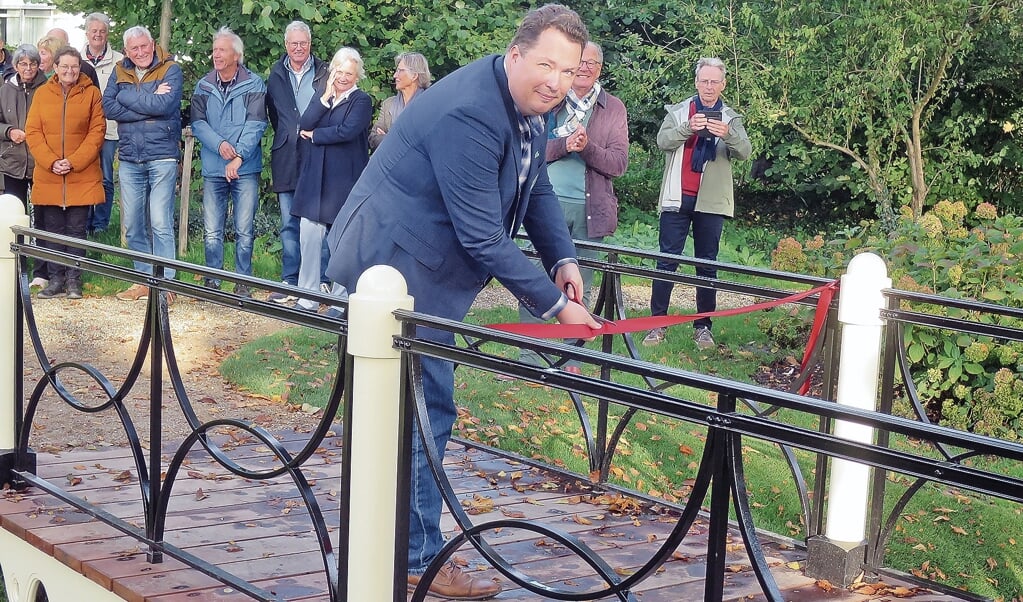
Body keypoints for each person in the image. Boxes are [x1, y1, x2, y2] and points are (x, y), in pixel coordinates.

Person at [325, 5, 599, 599]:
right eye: (546, 63)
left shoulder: (524, 103)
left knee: (405, 416)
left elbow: (535, 184)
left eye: (568, 69)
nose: (556, 79)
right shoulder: (473, 112)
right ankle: (416, 560)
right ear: (517, 53)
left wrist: (563, 260)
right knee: (425, 412)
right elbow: (481, 234)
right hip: (391, 265)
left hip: (418, 269)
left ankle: (384, 537)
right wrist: (555, 307)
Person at [516, 41, 629, 365]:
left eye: (593, 63)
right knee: (535, 278)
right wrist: (566, 144)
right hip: (542, 205)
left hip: (590, 210)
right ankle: (529, 356)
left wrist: (588, 147)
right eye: (581, 62)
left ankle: (572, 360)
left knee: (582, 283)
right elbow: (529, 147)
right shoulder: (551, 98)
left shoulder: (613, 108)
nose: (586, 68)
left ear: (600, 69)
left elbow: (618, 164)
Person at [642, 56, 752, 349]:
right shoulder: (679, 112)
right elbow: (662, 142)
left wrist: (727, 135)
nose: (709, 86)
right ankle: (657, 325)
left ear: (723, 84)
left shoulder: (730, 118)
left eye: (715, 81)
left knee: (706, 266)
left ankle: (703, 327)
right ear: (696, 82)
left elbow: (744, 152)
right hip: (677, 198)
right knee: (666, 261)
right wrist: (687, 128)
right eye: (704, 81)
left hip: (711, 202)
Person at [103, 25, 183, 302]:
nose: (140, 52)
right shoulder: (119, 70)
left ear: (152, 44)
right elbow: (108, 107)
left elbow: (164, 107)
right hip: (129, 157)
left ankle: (167, 284)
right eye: (134, 49)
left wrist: (127, 97)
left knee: (160, 222)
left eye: (144, 46)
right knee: (134, 225)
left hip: (162, 155)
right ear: (126, 51)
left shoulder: (170, 68)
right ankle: (144, 280)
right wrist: (147, 100)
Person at [292, 47, 371, 314]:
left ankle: (340, 300)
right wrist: (325, 96)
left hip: (344, 179)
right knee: (309, 236)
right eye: (340, 72)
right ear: (332, 71)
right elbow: (304, 122)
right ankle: (307, 296)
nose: (344, 78)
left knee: (340, 240)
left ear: (357, 75)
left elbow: (347, 131)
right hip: (315, 178)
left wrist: (315, 136)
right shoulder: (322, 96)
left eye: (350, 73)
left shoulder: (361, 101)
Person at [191, 26, 268, 296]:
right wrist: (220, 145)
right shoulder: (203, 85)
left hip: (245, 167)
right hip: (213, 167)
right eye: (214, 50)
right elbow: (198, 123)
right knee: (212, 230)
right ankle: (212, 280)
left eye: (222, 50)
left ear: (237, 55)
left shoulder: (254, 83)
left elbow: (257, 123)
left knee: (244, 229)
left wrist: (238, 156)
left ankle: (243, 282)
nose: (216, 55)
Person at [24, 47, 105, 299]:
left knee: (76, 230)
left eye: (74, 66)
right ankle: (56, 279)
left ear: (79, 67)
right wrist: (52, 161)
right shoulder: (41, 94)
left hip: (81, 173)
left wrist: (73, 161)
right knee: (52, 230)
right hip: (49, 174)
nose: (70, 71)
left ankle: (74, 281)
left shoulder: (92, 93)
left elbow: (97, 131)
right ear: (55, 68)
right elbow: (33, 131)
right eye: (65, 66)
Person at [265, 21, 329, 304]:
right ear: (285, 45)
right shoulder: (276, 73)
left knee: (320, 219)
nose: (299, 47)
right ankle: (290, 280)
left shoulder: (325, 72)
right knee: (289, 222)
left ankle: (323, 281)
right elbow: (274, 115)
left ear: (310, 43)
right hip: (287, 155)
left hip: (318, 154)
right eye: (294, 43)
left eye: (303, 42)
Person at [0, 45, 49, 288]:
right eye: (23, 64)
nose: (28, 68)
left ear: (39, 65)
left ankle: (42, 271)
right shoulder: (5, 89)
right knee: (15, 216)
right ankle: (14, 267)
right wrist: (9, 131)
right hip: (12, 162)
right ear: (16, 65)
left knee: (41, 217)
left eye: (32, 64)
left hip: (41, 162)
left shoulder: (48, 87)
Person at [81, 12, 124, 235]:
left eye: (102, 31)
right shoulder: (76, 58)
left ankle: (100, 225)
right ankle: (83, 221)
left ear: (107, 34)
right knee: (84, 174)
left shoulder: (119, 60)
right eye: (94, 31)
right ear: (87, 33)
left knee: (106, 177)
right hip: (82, 131)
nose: (97, 35)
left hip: (109, 128)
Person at [368, 51, 430, 150]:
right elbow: (373, 138)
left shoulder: (429, 104)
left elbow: (426, 141)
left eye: (400, 71)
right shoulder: (388, 104)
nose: (395, 76)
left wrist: (390, 139)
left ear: (414, 75)